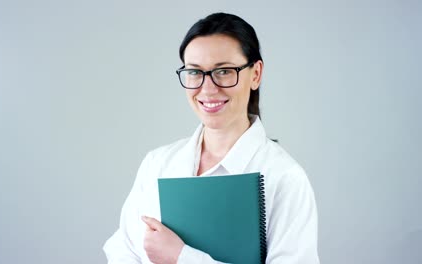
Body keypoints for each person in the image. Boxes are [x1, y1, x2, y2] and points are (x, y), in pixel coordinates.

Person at [103, 12, 320, 264]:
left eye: (224, 71)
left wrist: (181, 257)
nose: (207, 88)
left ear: (256, 74)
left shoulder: (284, 177)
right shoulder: (158, 164)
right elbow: (123, 249)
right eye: (195, 72)